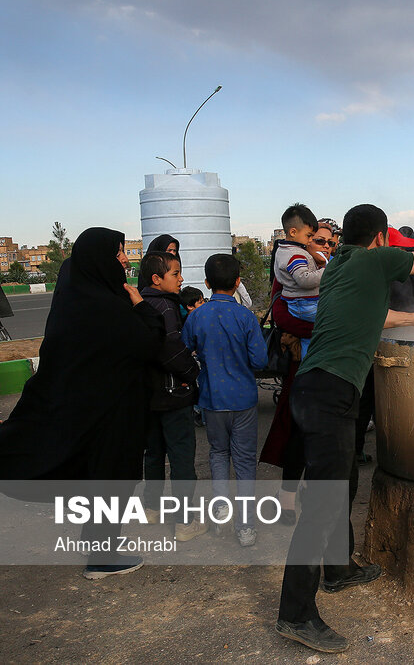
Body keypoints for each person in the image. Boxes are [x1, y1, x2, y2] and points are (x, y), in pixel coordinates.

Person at [276, 204, 414, 654]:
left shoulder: (339, 268)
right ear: (379, 238)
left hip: (315, 389)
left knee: (343, 482)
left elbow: (371, 314)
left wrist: (413, 319)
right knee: (322, 502)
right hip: (330, 393)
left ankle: (338, 569)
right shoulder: (375, 259)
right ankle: (295, 613)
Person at [0, 228, 164, 579]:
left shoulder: (76, 298)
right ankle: (102, 557)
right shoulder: (107, 308)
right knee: (112, 479)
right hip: (110, 415)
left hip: (87, 412)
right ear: (100, 259)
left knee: (99, 479)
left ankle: (99, 546)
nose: (124, 258)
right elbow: (149, 343)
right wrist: (143, 307)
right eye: (118, 252)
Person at [181, 254, 268, 547]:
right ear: (238, 282)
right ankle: (245, 528)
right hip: (243, 398)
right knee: (244, 462)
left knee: (218, 454)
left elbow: (186, 351)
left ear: (206, 283)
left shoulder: (195, 316)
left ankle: (220, 510)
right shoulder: (245, 317)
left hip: (211, 397)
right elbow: (259, 359)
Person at [137, 251, 204, 541]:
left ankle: (151, 508)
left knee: (153, 453)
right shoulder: (165, 307)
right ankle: (185, 522)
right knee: (181, 457)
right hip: (173, 393)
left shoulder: (139, 303)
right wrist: (193, 372)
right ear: (157, 278)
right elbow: (172, 350)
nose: (181, 279)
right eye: (175, 274)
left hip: (148, 395)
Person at [273, 204, 325, 355]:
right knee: (336, 317)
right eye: (309, 236)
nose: (310, 241)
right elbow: (305, 280)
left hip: (297, 304)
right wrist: (324, 272)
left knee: (307, 342)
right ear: (293, 232)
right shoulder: (296, 255)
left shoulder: (282, 250)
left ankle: (307, 367)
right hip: (305, 304)